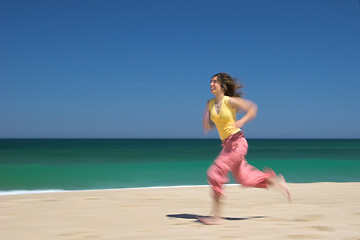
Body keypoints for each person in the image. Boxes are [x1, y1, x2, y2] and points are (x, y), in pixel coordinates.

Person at [199, 72, 291, 225]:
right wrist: (205, 118)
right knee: (245, 179)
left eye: (214, 81)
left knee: (214, 173)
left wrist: (241, 122)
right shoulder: (209, 104)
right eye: (210, 81)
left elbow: (252, 108)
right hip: (227, 146)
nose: (211, 84)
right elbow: (209, 126)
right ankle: (275, 181)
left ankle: (217, 216)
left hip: (237, 143)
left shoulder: (230, 101)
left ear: (222, 85)